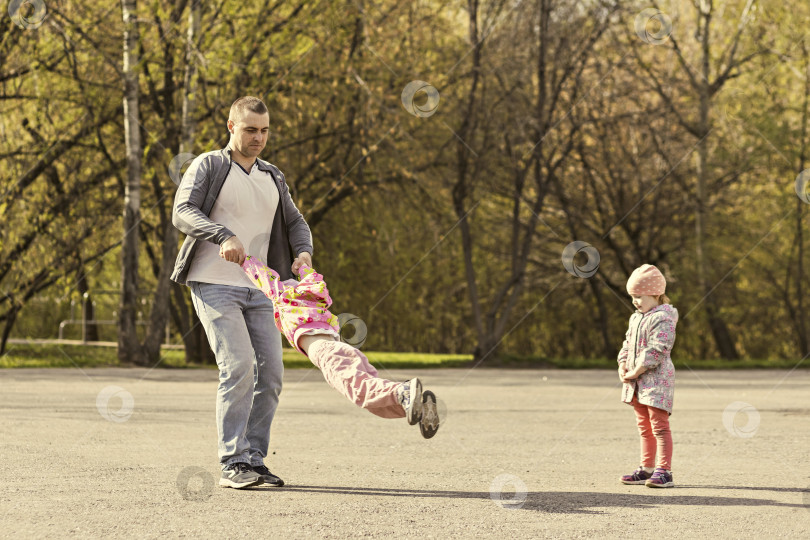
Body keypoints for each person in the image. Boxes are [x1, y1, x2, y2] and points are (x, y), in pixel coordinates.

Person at [171, 96, 313, 489]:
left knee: (271, 374)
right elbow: (182, 210)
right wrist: (223, 235)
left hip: (260, 289)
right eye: (250, 129)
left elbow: (296, 222)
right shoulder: (210, 165)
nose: (258, 138)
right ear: (230, 126)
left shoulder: (273, 176)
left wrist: (302, 255)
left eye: (264, 130)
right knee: (238, 366)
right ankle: (232, 460)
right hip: (214, 282)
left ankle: (253, 457)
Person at [242, 256, 440, 438]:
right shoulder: (316, 297)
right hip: (340, 349)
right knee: (367, 396)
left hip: (328, 354)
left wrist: (243, 259)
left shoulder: (283, 298)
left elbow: (262, 276)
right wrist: (303, 267)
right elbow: (314, 279)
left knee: (362, 391)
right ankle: (419, 408)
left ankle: (402, 391)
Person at [616, 264, 677, 488]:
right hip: (637, 382)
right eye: (632, 296)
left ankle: (664, 471)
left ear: (656, 294)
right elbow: (627, 344)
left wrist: (636, 370)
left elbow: (658, 349)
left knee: (659, 425)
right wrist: (623, 365)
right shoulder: (636, 318)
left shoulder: (663, 317)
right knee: (644, 425)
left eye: (639, 296)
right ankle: (647, 468)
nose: (635, 301)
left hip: (656, 381)